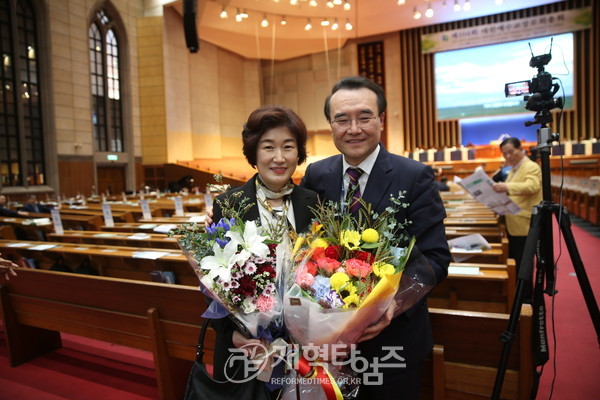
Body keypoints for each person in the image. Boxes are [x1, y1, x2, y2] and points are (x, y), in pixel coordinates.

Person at [301, 76, 450, 399]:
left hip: (391, 343)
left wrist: (391, 306)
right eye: (342, 119)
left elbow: (436, 259)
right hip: (327, 344)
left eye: (364, 117)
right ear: (330, 124)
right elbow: (300, 244)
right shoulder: (316, 175)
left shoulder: (415, 176)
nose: (353, 128)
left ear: (381, 120)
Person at [208, 105, 319, 398]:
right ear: (254, 153)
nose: (279, 157)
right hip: (246, 350)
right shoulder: (229, 204)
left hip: (305, 349)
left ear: (299, 153)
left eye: (288, 147)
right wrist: (233, 335)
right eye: (268, 147)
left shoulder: (315, 203)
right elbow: (213, 286)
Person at [492, 137, 542, 270]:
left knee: (523, 265)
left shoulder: (531, 166)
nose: (508, 156)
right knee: (516, 261)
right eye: (504, 153)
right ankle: (518, 290)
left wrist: (506, 187)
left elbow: (532, 186)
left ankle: (525, 291)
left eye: (511, 152)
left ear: (521, 149)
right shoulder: (513, 169)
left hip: (524, 223)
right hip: (513, 221)